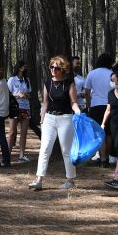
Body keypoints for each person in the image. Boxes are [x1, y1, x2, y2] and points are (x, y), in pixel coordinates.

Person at [29, 56, 81, 191]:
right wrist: (42, 119)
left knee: (66, 150)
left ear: (62, 69)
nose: (53, 70)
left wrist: (78, 112)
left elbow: (73, 102)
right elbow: (45, 103)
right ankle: (39, 179)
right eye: (51, 67)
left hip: (66, 118)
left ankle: (70, 180)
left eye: (56, 68)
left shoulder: (69, 83)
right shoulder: (48, 83)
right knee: (45, 149)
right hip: (49, 119)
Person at [84, 52, 114, 167]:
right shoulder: (112, 74)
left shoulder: (92, 74)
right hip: (110, 105)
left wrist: (89, 105)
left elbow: (87, 92)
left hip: (96, 106)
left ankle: (102, 159)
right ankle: (107, 156)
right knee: (109, 133)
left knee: (99, 133)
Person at [7, 60, 31, 162]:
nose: (24, 69)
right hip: (14, 108)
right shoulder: (12, 80)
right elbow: (8, 94)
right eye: (22, 67)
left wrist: (26, 95)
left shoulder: (27, 80)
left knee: (24, 132)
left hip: (25, 107)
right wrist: (18, 95)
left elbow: (30, 94)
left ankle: (22, 155)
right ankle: (7, 154)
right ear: (18, 68)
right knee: (12, 132)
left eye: (25, 67)